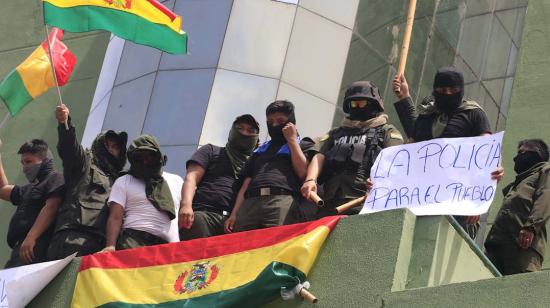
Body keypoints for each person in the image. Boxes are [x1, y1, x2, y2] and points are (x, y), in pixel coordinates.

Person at [392, 67, 504, 238]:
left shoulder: (473, 114)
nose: (448, 93)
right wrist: (404, 97)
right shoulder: (426, 115)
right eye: (443, 90)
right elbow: (414, 147)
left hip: (458, 206)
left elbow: (487, 155)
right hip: (422, 200)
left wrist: (476, 201)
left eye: (454, 90)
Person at [301, 81, 404, 215]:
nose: (357, 107)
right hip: (329, 204)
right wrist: (310, 180)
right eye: (353, 104)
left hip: (363, 203)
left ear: (374, 104)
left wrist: (380, 180)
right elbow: (319, 155)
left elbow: (395, 158)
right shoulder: (336, 133)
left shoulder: (386, 131)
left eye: (361, 103)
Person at [48, 104, 128, 259]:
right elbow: (70, 149)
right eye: (108, 145)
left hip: (99, 248)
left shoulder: (122, 181)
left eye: (115, 147)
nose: (111, 149)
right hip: (73, 238)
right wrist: (65, 124)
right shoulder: (84, 165)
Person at [224, 100, 316, 232]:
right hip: (250, 202)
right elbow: (246, 183)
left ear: (291, 121)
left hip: (281, 201)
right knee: (241, 247)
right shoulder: (260, 149)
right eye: (270, 122)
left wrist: (291, 140)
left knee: (276, 245)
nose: (274, 125)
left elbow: (303, 173)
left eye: (280, 121)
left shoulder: (303, 143)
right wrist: (234, 214)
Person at [179, 115, 259, 240]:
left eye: (250, 131)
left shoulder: (255, 165)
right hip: (203, 216)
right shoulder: (211, 150)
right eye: (240, 128)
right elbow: (191, 177)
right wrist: (186, 205)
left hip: (233, 225)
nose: (244, 133)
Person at [103, 135, 179, 251]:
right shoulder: (124, 181)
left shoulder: (176, 181)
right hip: (134, 243)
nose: (145, 160)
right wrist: (110, 246)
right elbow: (115, 217)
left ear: (158, 156)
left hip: (169, 250)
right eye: (140, 157)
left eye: (149, 155)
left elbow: (187, 215)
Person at [485, 139, 550, 275]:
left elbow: (546, 197)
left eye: (522, 152)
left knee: (518, 289)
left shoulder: (545, 171)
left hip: (522, 246)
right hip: (498, 246)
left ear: (536, 152)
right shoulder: (518, 183)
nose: (516, 157)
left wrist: (531, 227)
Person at [0, 139, 63, 267]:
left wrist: (31, 237)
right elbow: (2, 190)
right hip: (20, 250)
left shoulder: (56, 178)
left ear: (45, 161)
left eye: (29, 162)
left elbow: (52, 206)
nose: (25, 167)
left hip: (35, 248)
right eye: (22, 163)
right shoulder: (29, 189)